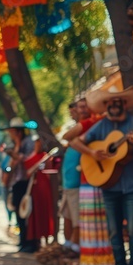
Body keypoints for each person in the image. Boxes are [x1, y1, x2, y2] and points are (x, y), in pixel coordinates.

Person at [70, 80, 133, 265]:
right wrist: (92, 152)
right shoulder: (101, 126)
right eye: (110, 102)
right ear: (106, 106)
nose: (114, 105)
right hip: (109, 185)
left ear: (125, 104)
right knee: (114, 229)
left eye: (118, 101)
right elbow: (75, 142)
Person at [64, 99, 114, 265]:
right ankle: (91, 257)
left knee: (95, 221)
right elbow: (70, 139)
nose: (82, 109)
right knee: (87, 221)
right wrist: (91, 152)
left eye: (86, 106)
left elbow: (70, 138)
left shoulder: (96, 122)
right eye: (80, 107)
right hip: (85, 178)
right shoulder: (91, 124)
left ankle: (99, 259)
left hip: (94, 178)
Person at [1, 117, 42, 253]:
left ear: (18, 132)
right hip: (17, 182)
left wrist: (16, 152)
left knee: (27, 212)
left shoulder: (28, 143)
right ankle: (23, 240)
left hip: (27, 182)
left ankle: (30, 242)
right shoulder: (15, 145)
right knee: (19, 212)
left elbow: (28, 161)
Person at [59, 103, 83, 254]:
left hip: (76, 182)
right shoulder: (76, 129)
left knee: (76, 217)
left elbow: (65, 136)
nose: (72, 114)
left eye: (75, 110)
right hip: (69, 184)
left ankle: (75, 244)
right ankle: (68, 243)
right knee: (67, 215)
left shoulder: (82, 127)